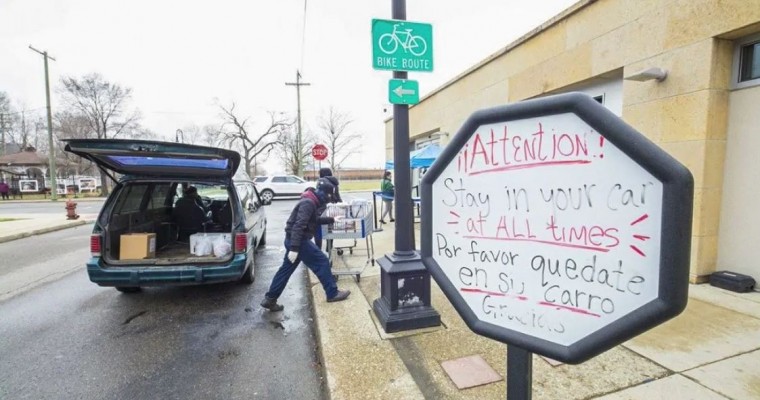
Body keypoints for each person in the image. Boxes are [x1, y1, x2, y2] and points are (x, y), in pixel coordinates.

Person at [260, 179, 351, 311]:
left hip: (294, 240)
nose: (329, 199)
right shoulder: (309, 203)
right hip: (299, 241)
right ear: (322, 193)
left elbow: (313, 220)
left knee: (285, 270)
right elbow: (299, 226)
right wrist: (294, 249)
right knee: (322, 261)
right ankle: (332, 293)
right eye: (329, 196)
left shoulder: (311, 200)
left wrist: (331, 219)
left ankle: (270, 299)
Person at [314, 167, 342, 249]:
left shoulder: (321, 181)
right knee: (330, 228)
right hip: (332, 209)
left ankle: (318, 248)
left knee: (318, 230)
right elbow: (337, 196)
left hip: (321, 208)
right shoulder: (334, 182)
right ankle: (329, 247)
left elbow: (318, 195)